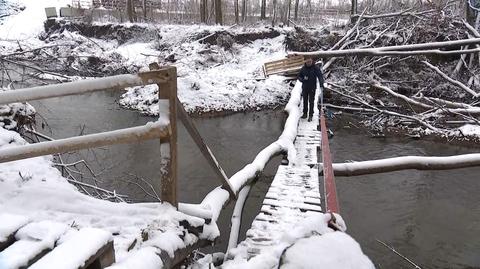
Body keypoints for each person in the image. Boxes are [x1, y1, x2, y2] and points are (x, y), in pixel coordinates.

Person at [297, 56, 324, 122]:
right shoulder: (303, 68)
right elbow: (299, 76)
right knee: (305, 101)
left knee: (311, 101)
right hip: (305, 87)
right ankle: (305, 113)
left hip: (312, 87)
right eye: (307, 62)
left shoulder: (315, 68)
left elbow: (320, 76)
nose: (309, 63)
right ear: (305, 62)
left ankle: (311, 115)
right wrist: (303, 79)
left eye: (310, 61)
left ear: (312, 61)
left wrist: (321, 84)